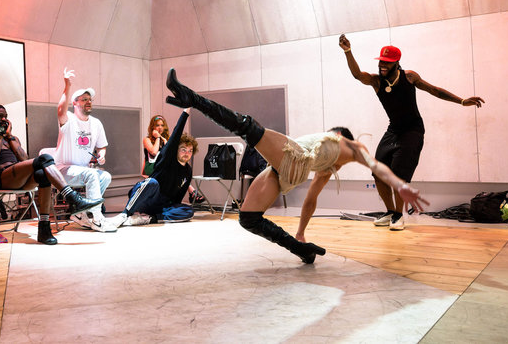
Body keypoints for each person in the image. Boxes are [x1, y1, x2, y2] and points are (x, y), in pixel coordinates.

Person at [164, 68, 429, 264]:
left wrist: (399, 184)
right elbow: (310, 201)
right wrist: (300, 233)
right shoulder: (326, 167)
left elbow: (377, 167)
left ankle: (192, 99)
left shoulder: (350, 148)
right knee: (248, 218)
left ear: (339, 136)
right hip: (282, 173)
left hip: (292, 160)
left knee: (248, 127)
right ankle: (301, 250)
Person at [338, 34, 484, 231]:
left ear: (396, 63)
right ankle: (390, 212)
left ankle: (399, 215)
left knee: (398, 174)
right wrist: (348, 51)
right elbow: (357, 74)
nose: (382, 65)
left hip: (413, 130)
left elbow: (434, 90)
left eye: (387, 63)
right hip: (393, 130)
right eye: (381, 61)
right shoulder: (376, 82)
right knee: (378, 172)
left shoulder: (409, 77)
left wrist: (461, 101)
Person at [0, 104, 103, 245]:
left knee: (43, 174)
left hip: (18, 176)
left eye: (5, 116)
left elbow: (24, 159)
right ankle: (73, 198)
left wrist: (9, 136)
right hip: (2, 177)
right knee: (45, 158)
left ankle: (44, 229)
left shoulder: (13, 139)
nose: (4, 119)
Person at [112, 109, 198, 227]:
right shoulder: (168, 158)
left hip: (160, 206)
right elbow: (176, 133)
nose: (187, 153)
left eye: (190, 151)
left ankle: (150, 218)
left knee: (188, 211)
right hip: (148, 197)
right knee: (152, 183)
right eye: (183, 149)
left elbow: (178, 198)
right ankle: (125, 215)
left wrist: (175, 208)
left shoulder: (188, 171)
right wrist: (186, 112)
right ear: (176, 150)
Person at [54, 68, 115, 232]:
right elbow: (60, 110)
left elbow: (102, 146)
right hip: (62, 171)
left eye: (90, 99)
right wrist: (67, 86)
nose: (89, 102)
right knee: (92, 174)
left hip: (82, 170)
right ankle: (97, 218)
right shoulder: (69, 119)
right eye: (84, 99)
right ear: (75, 103)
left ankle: (81, 214)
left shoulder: (96, 123)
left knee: (105, 176)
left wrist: (101, 155)